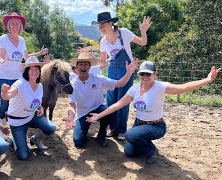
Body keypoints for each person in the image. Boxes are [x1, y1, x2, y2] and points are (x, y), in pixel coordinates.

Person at [87, 61, 221, 163]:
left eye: (148, 74)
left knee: (130, 135)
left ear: (155, 74)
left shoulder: (160, 87)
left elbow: (183, 88)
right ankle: (146, 144)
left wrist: (208, 80)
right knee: (129, 152)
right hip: (139, 124)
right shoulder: (135, 88)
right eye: (142, 74)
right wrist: (99, 115)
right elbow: (117, 105)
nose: (145, 76)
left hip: (156, 126)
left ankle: (150, 150)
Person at [88, 12, 152, 140]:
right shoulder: (103, 42)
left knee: (123, 100)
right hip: (112, 70)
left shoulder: (124, 33)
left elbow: (143, 42)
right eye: (99, 26)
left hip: (126, 70)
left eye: (103, 25)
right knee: (111, 100)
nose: (101, 28)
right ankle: (112, 128)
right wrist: (90, 55)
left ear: (111, 23)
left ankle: (122, 130)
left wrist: (143, 31)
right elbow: (103, 63)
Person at [63, 53, 139, 148]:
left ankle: (101, 135)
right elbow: (72, 104)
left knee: (108, 112)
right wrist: (70, 117)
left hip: (98, 108)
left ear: (90, 66)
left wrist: (129, 72)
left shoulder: (98, 79)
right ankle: (83, 132)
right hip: (83, 112)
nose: (83, 66)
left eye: (85, 64)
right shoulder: (73, 84)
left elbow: (120, 84)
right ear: (77, 67)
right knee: (78, 142)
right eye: (80, 64)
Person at [0, 12, 49, 136]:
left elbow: (26, 57)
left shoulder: (22, 40)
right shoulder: (3, 38)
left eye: (17, 24)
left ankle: (19, 128)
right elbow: (2, 54)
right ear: (8, 25)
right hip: (5, 76)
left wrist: (39, 53)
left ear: (20, 26)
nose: (15, 26)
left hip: (19, 77)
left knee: (20, 103)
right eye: (12, 23)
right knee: (4, 104)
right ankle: (2, 132)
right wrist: (1, 59)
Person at [1, 56, 56, 160]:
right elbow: (7, 96)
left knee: (51, 128)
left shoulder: (39, 85)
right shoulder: (20, 84)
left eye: (37, 69)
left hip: (31, 117)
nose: (34, 71)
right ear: (27, 71)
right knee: (23, 156)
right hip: (17, 122)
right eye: (31, 69)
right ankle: (13, 140)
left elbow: (36, 101)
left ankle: (35, 139)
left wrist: (41, 108)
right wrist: (4, 92)